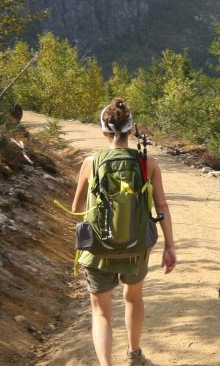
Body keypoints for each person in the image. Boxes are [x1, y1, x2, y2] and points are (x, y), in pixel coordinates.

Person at [71, 98, 177, 366]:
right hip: (136, 246)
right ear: (131, 130)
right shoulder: (147, 163)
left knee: (101, 312)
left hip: (97, 249)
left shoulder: (90, 162)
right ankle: (134, 354)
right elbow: (161, 205)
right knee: (133, 298)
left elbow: (77, 208)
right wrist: (169, 246)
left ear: (103, 130)